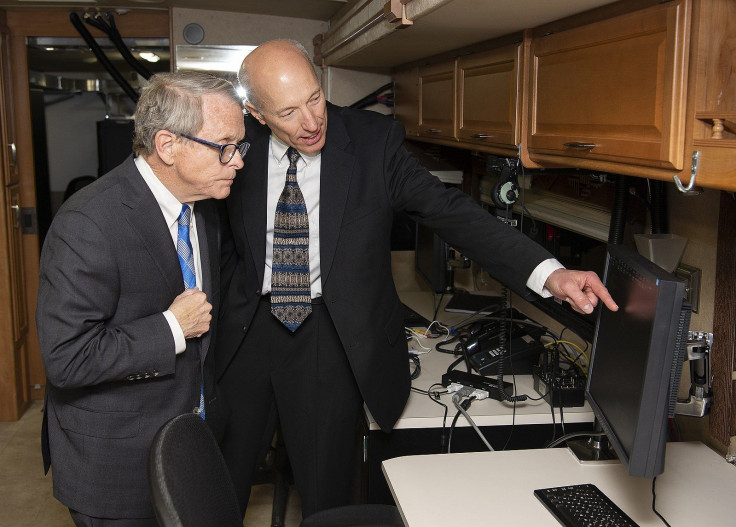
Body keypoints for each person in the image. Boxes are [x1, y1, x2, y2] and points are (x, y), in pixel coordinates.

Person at [215, 39, 618, 519]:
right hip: (246, 330)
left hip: (328, 333)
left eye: (315, 99)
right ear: (257, 114)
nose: (310, 121)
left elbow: (452, 212)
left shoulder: (371, 141)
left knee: (327, 498)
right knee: (219, 486)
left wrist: (550, 274)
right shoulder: (232, 146)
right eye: (287, 112)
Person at [36, 71, 247, 526]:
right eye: (225, 146)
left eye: (240, 146)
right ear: (168, 146)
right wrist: (172, 327)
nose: (237, 162)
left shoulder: (203, 206)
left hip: (192, 443)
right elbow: (67, 358)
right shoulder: (87, 222)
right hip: (117, 466)